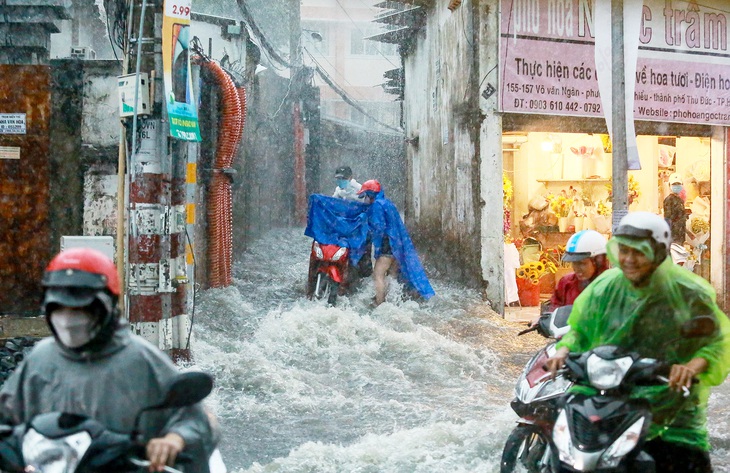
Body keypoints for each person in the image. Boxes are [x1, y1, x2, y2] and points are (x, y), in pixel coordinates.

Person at [545, 212, 730, 472]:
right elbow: (580, 331)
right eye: (624, 251)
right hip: (612, 395)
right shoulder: (605, 288)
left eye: (639, 252)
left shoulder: (688, 292)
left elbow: (717, 343)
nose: (629, 260)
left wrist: (690, 367)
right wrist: (563, 351)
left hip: (671, 406)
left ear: (658, 252)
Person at [0, 248, 214, 473]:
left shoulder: (139, 358)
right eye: (60, 308)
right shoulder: (41, 359)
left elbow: (194, 419)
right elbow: (6, 416)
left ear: (107, 307)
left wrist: (174, 439)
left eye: (81, 309)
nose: (69, 319)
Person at [358, 179, 435, 306]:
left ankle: (380, 303)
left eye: (366, 195)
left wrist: (365, 227)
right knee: (392, 274)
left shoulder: (377, 205)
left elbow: (379, 227)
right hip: (397, 244)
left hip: (387, 244)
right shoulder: (388, 203)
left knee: (378, 274)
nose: (365, 199)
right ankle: (391, 299)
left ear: (370, 195)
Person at [664, 172, 688, 247]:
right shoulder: (669, 200)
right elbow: (668, 219)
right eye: (674, 184)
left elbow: (681, 218)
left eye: (678, 184)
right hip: (673, 236)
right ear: (669, 185)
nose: (676, 186)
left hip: (680, 235)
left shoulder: (680, 200)